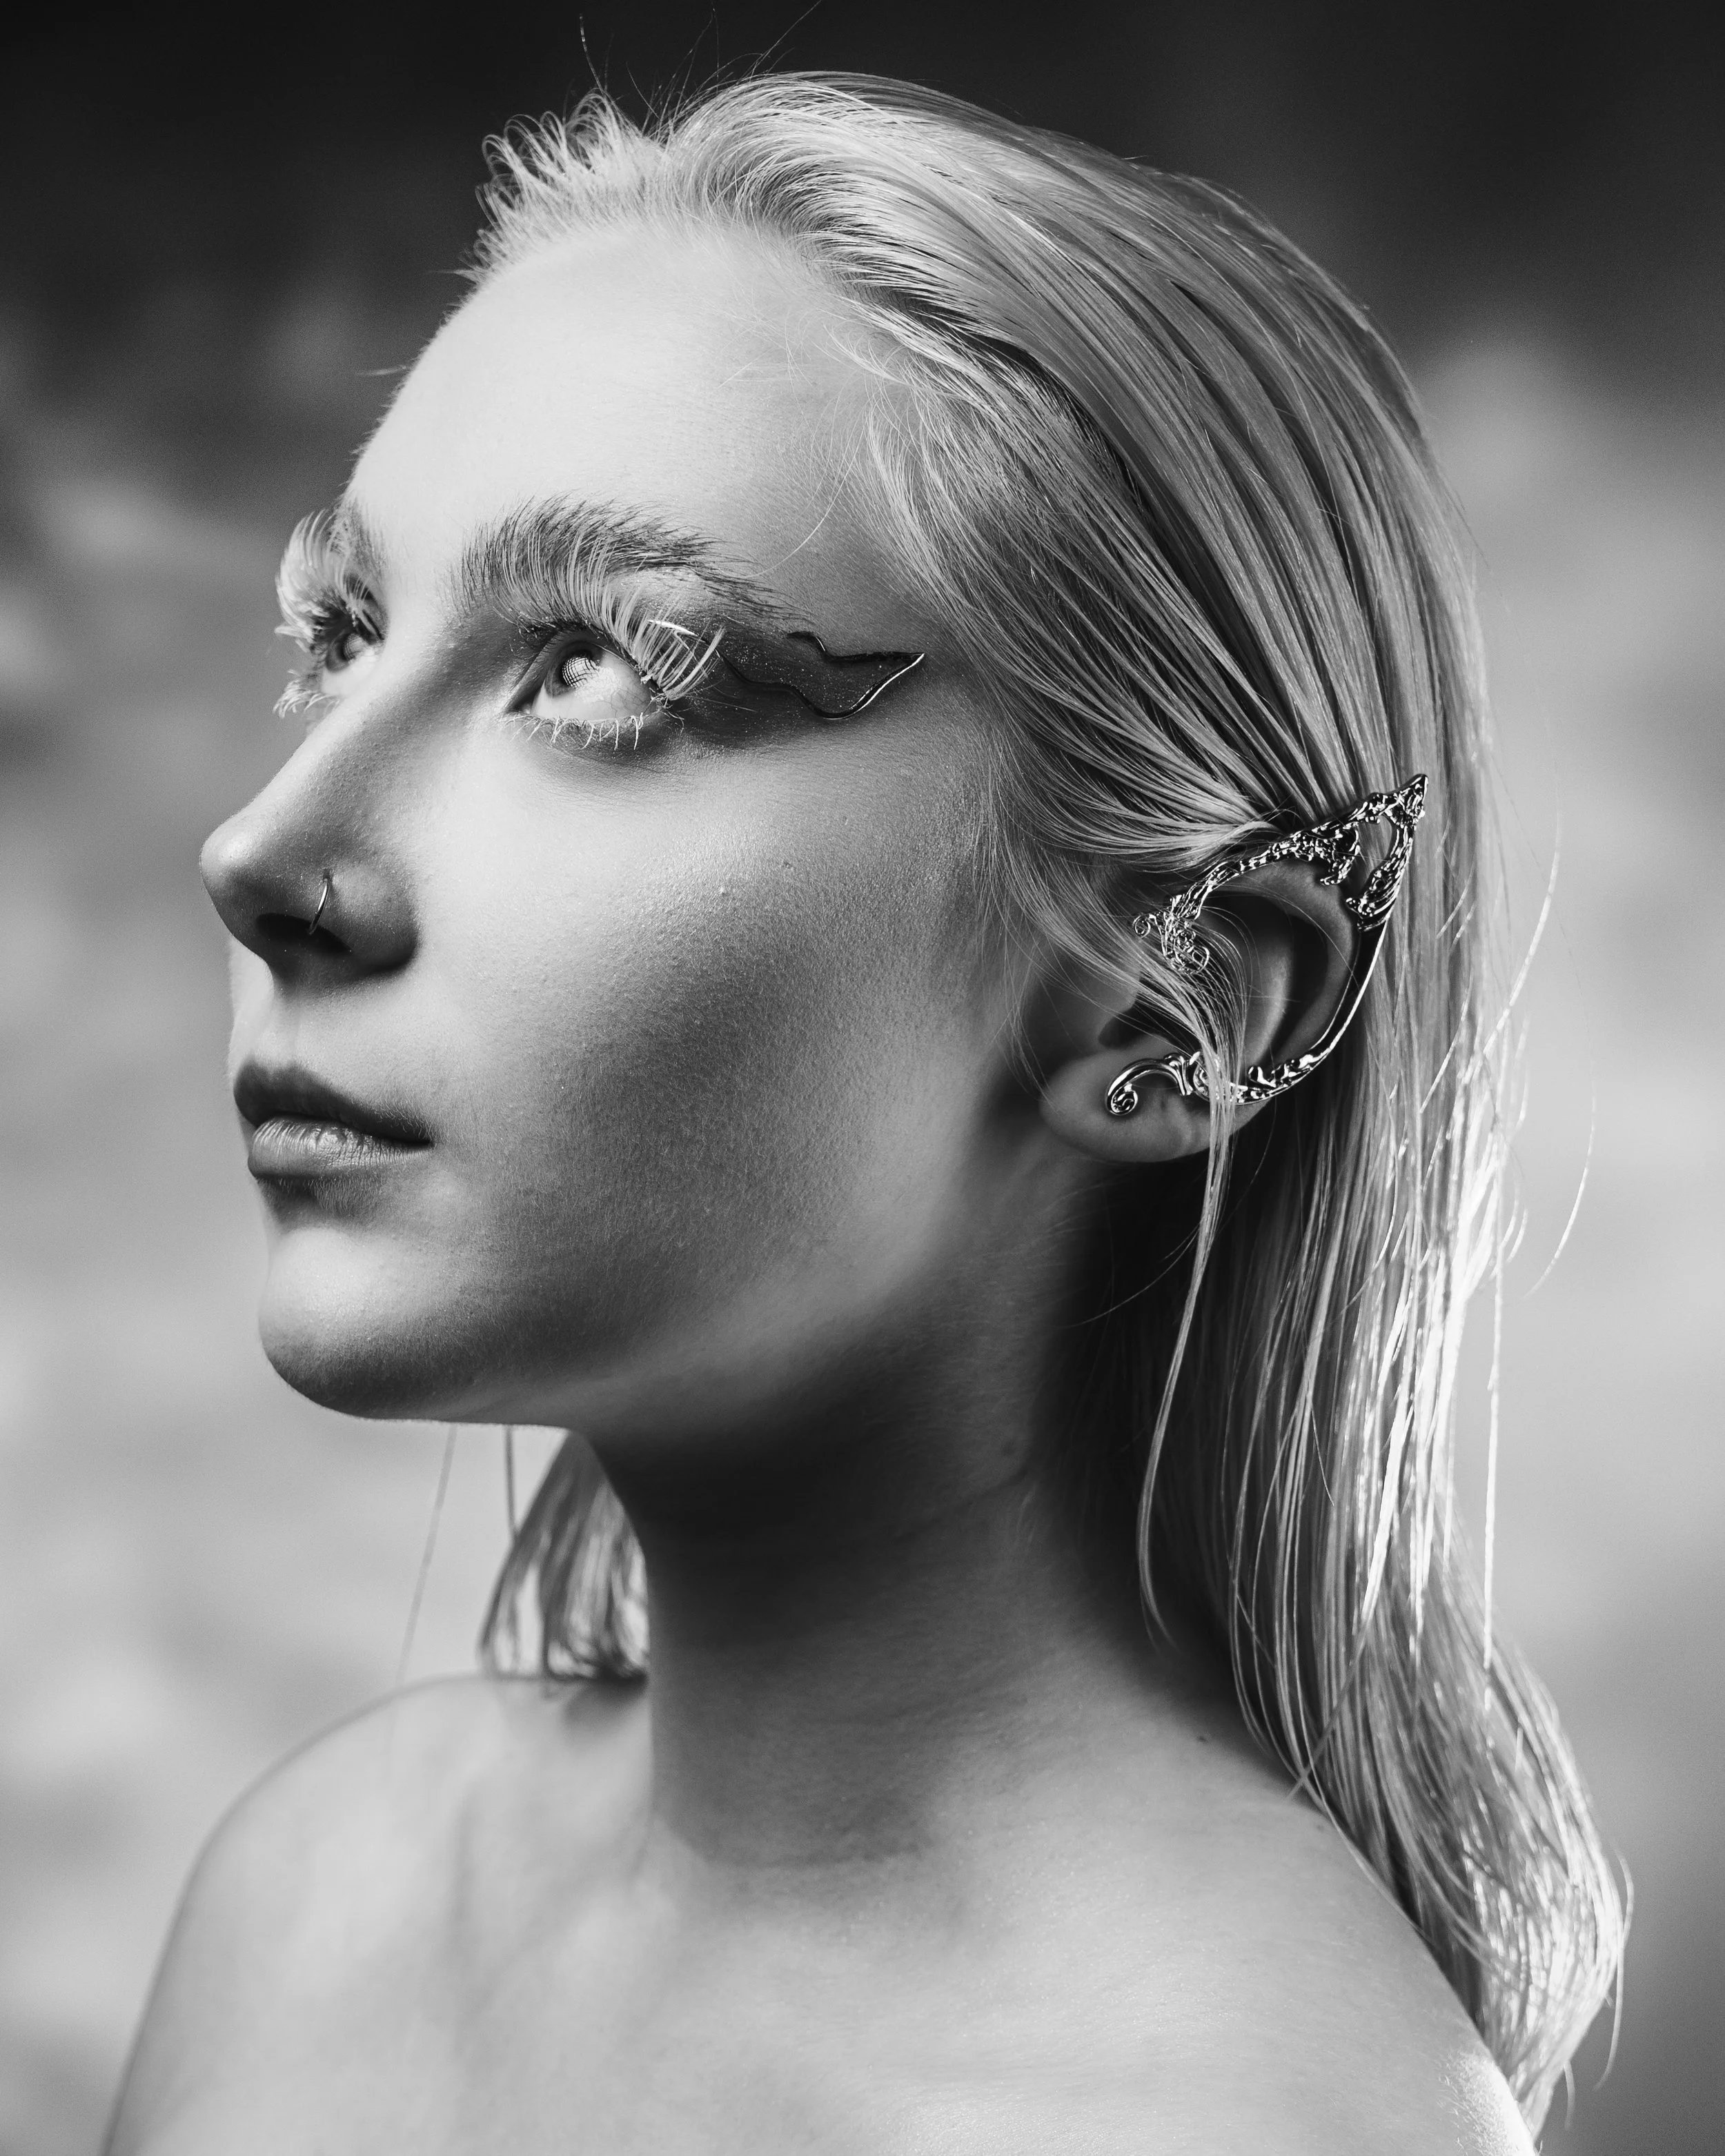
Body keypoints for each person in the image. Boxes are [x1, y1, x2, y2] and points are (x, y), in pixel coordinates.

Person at [106, 74, 1624, 2154]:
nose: (266, 850)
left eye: (605, 668)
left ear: (1176, 997)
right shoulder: (319, 1889)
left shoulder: (1243, 2119)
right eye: (339, 638)